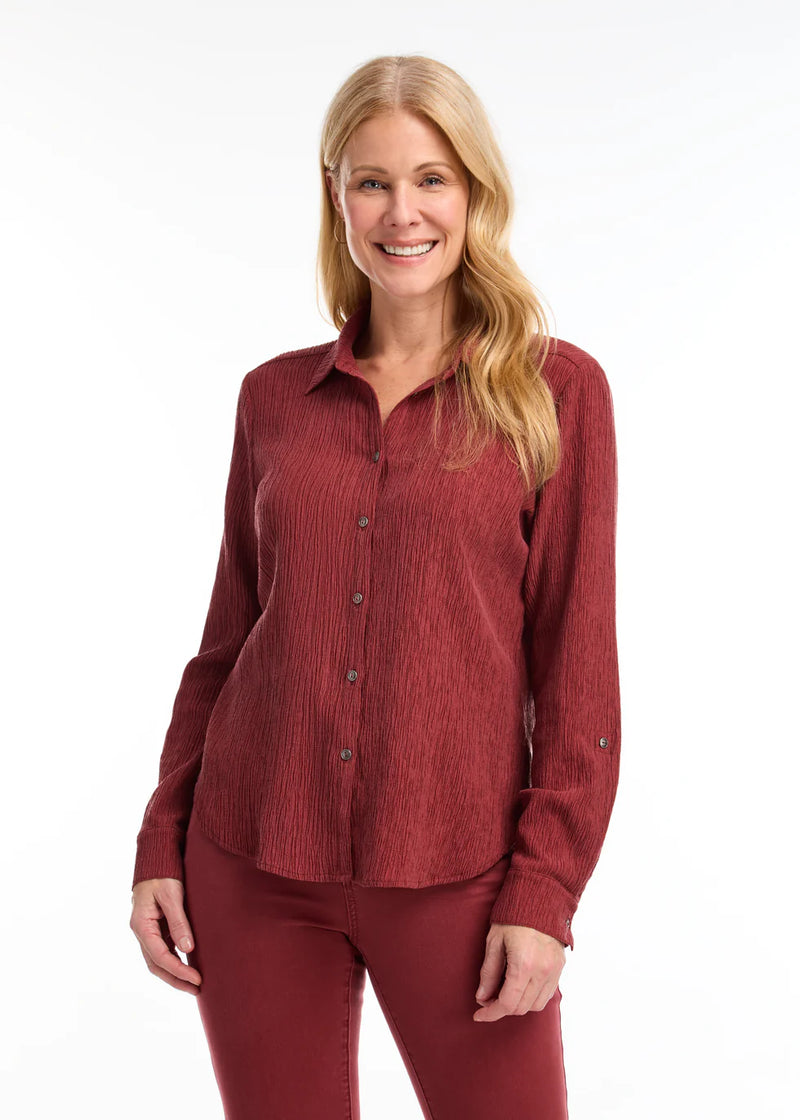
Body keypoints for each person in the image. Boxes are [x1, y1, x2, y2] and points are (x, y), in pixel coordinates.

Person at [129, 53, 621, 1120]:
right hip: (252, 859)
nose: (403, 212)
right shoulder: (273, 399)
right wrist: (161, 837)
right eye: (372, 182)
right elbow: (229, 637)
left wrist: (544, 891)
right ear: (335, 197)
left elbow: (576, 665)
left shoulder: (556, 393)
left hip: (459, 871)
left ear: (475, 192)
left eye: (431, 178)